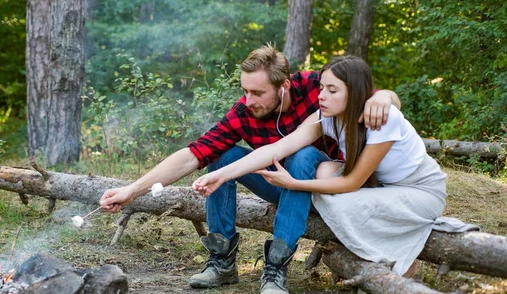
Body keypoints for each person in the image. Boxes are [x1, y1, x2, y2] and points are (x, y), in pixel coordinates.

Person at [100, 45, 401, 294]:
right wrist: (132, 190)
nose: (248, 100)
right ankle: (222, 260)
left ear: (283, 86)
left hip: (331, 190)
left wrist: (385, 96)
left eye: (257, 92)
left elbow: (377, 98)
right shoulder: (245, 112)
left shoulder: (317, 89)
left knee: (303, 154)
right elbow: (193, 154)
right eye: (244, 91)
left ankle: (276, 266)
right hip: (280, 186)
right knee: (220, 154)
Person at [192, 55, 477, 279]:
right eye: (321, 88)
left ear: (354, 93)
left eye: (332, 90)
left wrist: (295, 184)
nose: (321, 96)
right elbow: (277, 149)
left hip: (419, 190)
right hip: (381, 188)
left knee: (336, 201)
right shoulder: (325, 117)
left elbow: (351, 183)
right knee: (323, 175)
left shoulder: (382, 119)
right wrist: (221, 174)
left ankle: (400, 264)